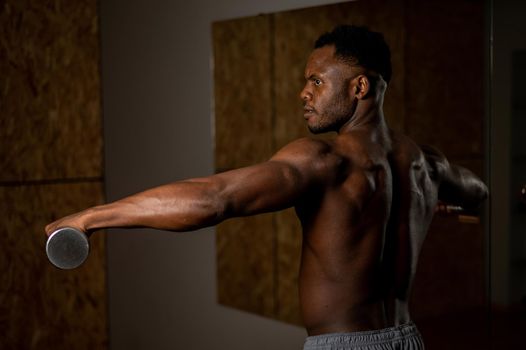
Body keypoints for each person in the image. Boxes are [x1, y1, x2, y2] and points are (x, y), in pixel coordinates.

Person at [45, 25, 488, 350]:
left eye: (316, 80)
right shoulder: (426, 164)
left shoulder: (325, 161)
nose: (303, 92)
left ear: (359, 87)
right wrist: (434, 204)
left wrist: (89, 218)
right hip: (409, 340)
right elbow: (479, 193)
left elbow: (214, 199)